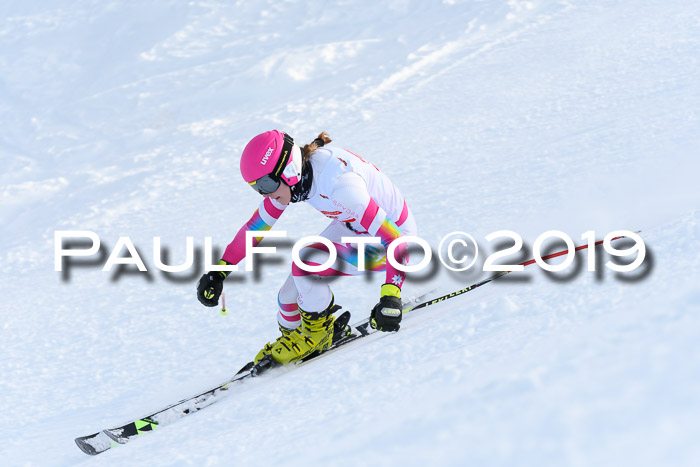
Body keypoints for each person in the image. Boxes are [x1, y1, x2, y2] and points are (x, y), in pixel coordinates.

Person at [196, 130, 417, 365]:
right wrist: (218, 271)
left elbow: (397, 241)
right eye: (256, 187)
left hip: (395, 241)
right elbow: (255, 227)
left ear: (289, 170)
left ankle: (316, 335)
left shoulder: (341, 186)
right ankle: (295, 338)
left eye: (265, 183)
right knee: (287, 297)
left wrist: (391, 296)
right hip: (356, 227)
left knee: (306, 262)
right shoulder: (295, 178)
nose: (264, 193)